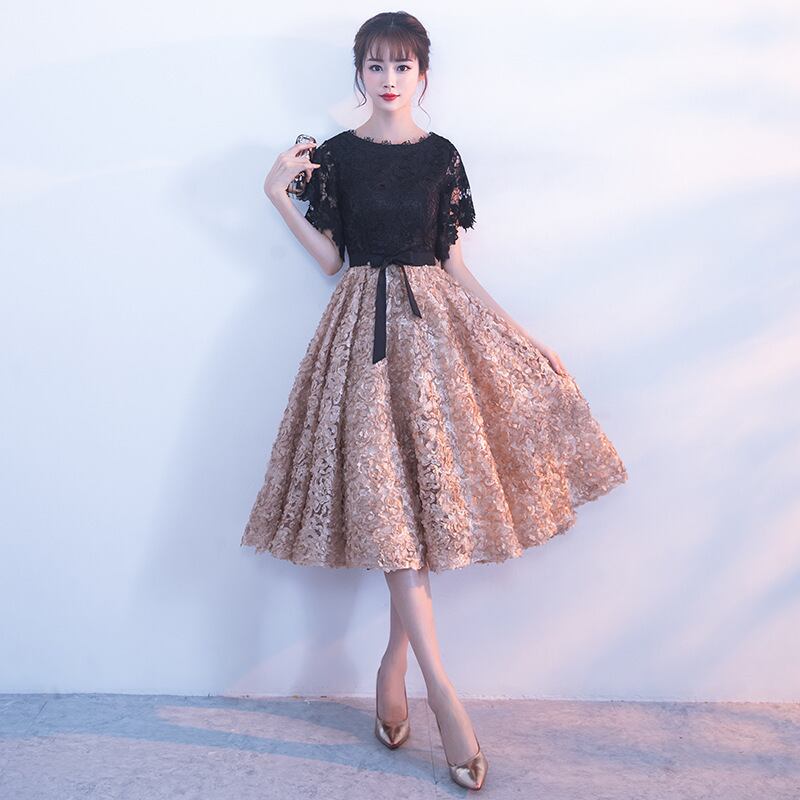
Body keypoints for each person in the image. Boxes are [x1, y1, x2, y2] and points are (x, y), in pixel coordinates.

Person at [241, 11, 628, 791]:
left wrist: (521, 335)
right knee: (389, 505)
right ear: (358, 73)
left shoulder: (441, 156)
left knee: (420, 503)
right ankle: (442, 691)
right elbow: (332, 261)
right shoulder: (336, 157)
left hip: (433, 339)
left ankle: (393, 663)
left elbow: (451, 260)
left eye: (403, 66)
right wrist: (277, 194)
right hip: (360, 338)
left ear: (423, 74)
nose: (389, 79)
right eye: (376, 65)